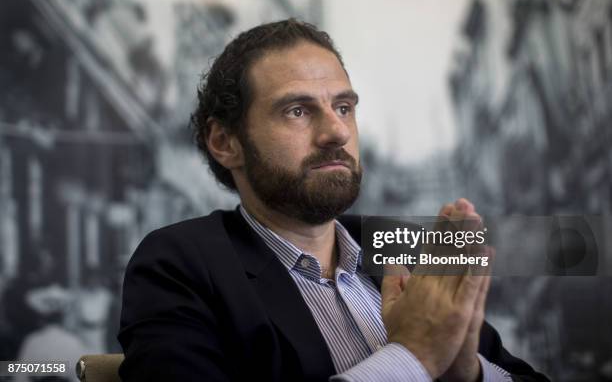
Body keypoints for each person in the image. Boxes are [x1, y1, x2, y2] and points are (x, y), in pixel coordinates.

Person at [118, 19, 548, 381]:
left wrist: (466, 371)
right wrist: (413, 358)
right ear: (225, 141)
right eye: (298, 111)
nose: (337, 133)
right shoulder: (179, 265)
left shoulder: (403, 247)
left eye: (343, 107)